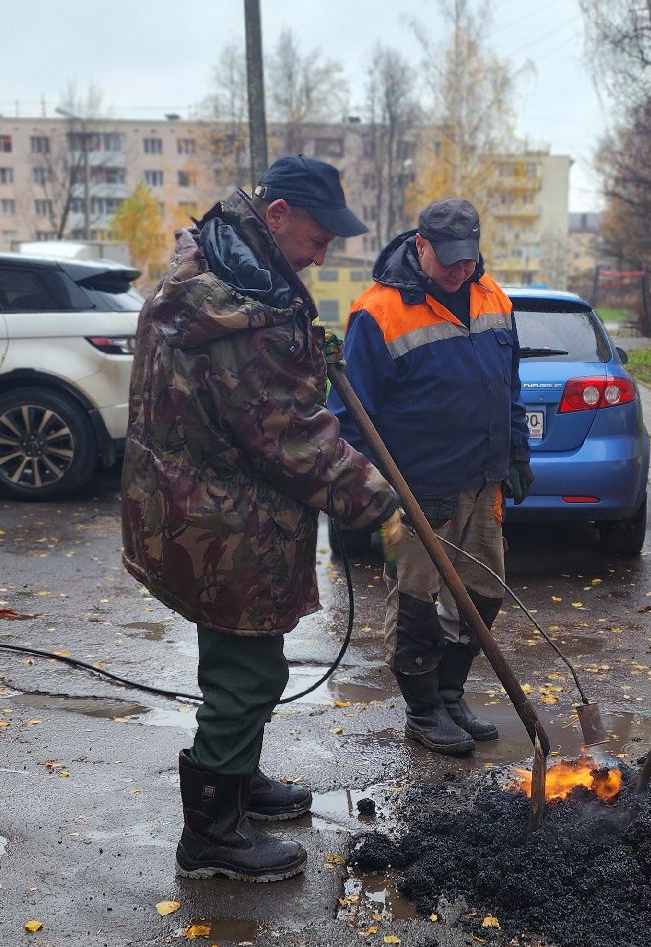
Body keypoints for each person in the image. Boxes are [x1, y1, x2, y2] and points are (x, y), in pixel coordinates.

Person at [122, 155, 402, 882]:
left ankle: (236, 784)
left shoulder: (230, 270)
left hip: (209, 511)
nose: (322, 253)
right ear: (275, 217)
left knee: (247, 664)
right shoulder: (233, 307)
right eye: (316, 238)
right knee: (245, 674)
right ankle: (212, 838)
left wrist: (307, 350)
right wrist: (379, 504)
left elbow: (259, 389)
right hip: (221, 524)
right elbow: (289, 438)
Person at [329, 199, 533, 758]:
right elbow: (350, 414)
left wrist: (517, 453)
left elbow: (508, 384)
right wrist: (362, 490)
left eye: (468, 260)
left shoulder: (493, 297)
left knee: (484, 591)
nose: (460, 271)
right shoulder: (378, 312)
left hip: (483, 480)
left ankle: (450, 693)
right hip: (412, 493)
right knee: (415, 599)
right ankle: (421, 709)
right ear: (419, 245)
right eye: (448, 261)